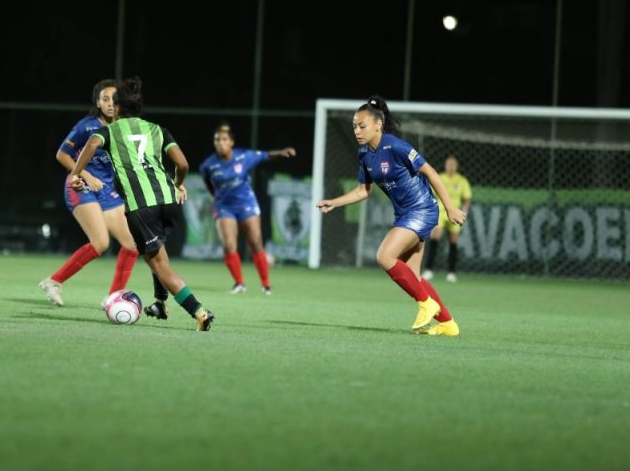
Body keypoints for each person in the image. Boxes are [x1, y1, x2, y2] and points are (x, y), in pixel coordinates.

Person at [69, 76, 214, 331]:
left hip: (141, 206)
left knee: (159, 263)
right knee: (156, 252)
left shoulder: (111, 131)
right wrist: (179, 184)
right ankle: (160, 302)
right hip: (168, 200)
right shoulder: (157, 129)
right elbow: (182, 164)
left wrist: (76, 173)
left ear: (118, 108)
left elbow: (91, 144)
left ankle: (199, 312)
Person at [317, 96, 465, 337]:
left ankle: (426, 303)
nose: (357, 131)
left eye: (362, 126)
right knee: (413, 277)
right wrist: (334, 202)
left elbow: (430, 172)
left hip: (422, 209)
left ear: (378, 124)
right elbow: (363, 191)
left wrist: (450, 208)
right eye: (354, 126)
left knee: (385, 256)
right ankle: (448, 324)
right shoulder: (364, 153)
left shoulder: (396, 146)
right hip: (405, 214)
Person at [38, 79, 140, 307]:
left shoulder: (124, 128)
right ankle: (54, 281)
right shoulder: (86, 126)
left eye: (115, 99)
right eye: (105, 99)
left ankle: (113, 298)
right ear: (98, 103)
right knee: (101, 243)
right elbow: (62, 155)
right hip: (80, 186)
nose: (111, 103)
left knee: (132, 245)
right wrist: (85, 174)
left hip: (106, 189)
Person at [199, 124, 295, 294]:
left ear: (231, 142)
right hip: (224, 206)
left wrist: (281, 152)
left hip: (246, 204)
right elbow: (208, 182)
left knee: (255, 242)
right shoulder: (208, 165)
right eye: (217, 140)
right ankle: (239, 284)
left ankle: (266, 285)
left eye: (224, 139)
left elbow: (265, 155)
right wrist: (216, 196)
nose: (221, 143)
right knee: (229, 245)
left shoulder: (243, 156)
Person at [422, 155, 472, 283]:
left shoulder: (462, 180)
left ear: (456, 166)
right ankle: (428, 269)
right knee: (435, 237)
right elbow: (430, 193)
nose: (451, 167)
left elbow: (467, 199)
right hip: (440, 211)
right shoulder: (440, 177)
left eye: (453, 164)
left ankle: (451, 272)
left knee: (453, 241)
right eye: (449, 164)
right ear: (445, 165)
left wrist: (464, 211)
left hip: (455, 213)